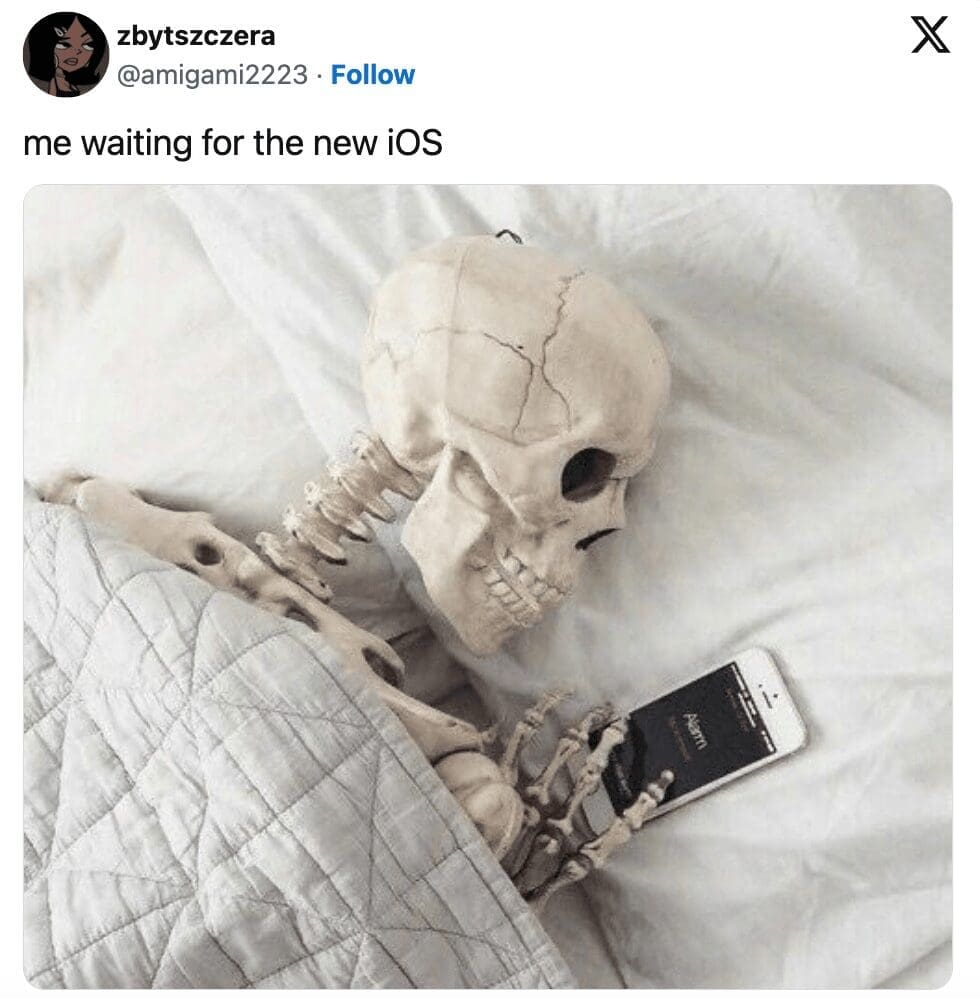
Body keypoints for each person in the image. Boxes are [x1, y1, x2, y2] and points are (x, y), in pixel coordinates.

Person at [24, 13, 108, 97]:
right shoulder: (53, 85)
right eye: (65, 44)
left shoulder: (72, 85)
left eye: (87, 44)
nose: (76, 51)